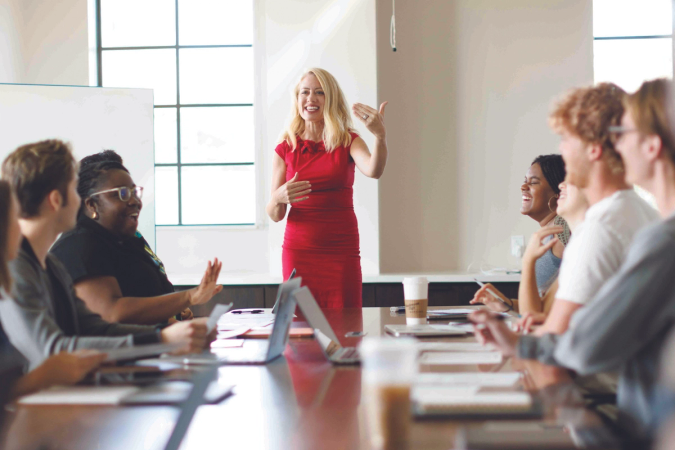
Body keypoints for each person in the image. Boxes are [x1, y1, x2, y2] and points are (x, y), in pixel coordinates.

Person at [471, 78, 675, 444]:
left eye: (625, 134)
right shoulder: (645, 221)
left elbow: (583, 346)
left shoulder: (628, 231)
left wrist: (519, 344)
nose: (563, 155)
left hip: (619, 417)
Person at [0, 139, 209, 370]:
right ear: (56, 199)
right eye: (74, 189)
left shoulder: (50, 264)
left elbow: (96, 327)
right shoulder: (14, 266)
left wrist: (166, 336)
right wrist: (163, 340)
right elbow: (52, 350)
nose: (80, 198)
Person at [50, 150, 223, 325]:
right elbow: (112, 314)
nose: (135, 202)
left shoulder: (124, 240)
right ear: (91, 204)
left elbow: (145, 298)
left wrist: (175, 317)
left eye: (135, 193)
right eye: (122, 194)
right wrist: (189, 297)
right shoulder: (78, 244)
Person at [266, 68, 389, 308]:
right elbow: (275, 214)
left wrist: (380, 137)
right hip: (298, 252)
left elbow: (374, 170)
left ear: (330, 99)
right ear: (297, 98)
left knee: (345, 326)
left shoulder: (348, 140)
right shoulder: (285, 147)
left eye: (319, 93)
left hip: (341, 252)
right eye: (305, 92)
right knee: (299, 330)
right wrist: (278, 197)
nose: (311, 99)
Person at [0, 179, 106, 416]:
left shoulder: (51, 266)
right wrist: (43, 376)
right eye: (15, 218)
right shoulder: (20, 271)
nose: (21, 227)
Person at [470, 154, 570, 315]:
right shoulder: (549, 232)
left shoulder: (562, 232)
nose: (523, 187)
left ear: (559, 191)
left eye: (533, 182)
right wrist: (506, 303)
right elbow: (541, 307)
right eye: (525, 181)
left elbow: (548, 312)